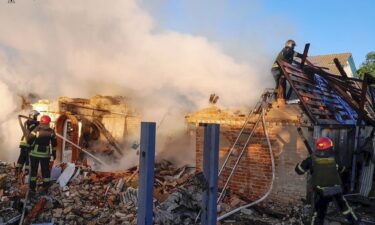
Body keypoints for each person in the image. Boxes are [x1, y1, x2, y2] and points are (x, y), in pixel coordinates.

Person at [295, 137, 361, 225]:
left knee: (319, 211)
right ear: (330, 147)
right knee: (344, 207)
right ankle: (354, 221)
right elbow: (343, 169)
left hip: (322, 191)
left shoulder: (311, 159)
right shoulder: (335, 158)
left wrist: (301, 165)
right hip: (336, 189)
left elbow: (299, 171)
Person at [27, 115, 57, 195]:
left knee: (33, 171)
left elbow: (29, 139)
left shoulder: (36, 129)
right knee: (45, 172)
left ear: (41, 121)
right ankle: (45, 189)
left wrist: (30, 147)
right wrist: (54, 153)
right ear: (48, 123)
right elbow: (54, 144)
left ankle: (32, 189)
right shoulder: (51, 131)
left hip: (34, 154)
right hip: (45, 155)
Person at [16, 110, 40, 176]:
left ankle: (17, 171)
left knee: (21, 157)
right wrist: (39, 123)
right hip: (28, 143)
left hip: (23, 143)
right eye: (36, 116)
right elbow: (34, 125)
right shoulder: (33, 123)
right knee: (28, 159)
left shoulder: (27, 122)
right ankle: (26, 173)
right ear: (32, 116)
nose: (36, 117)